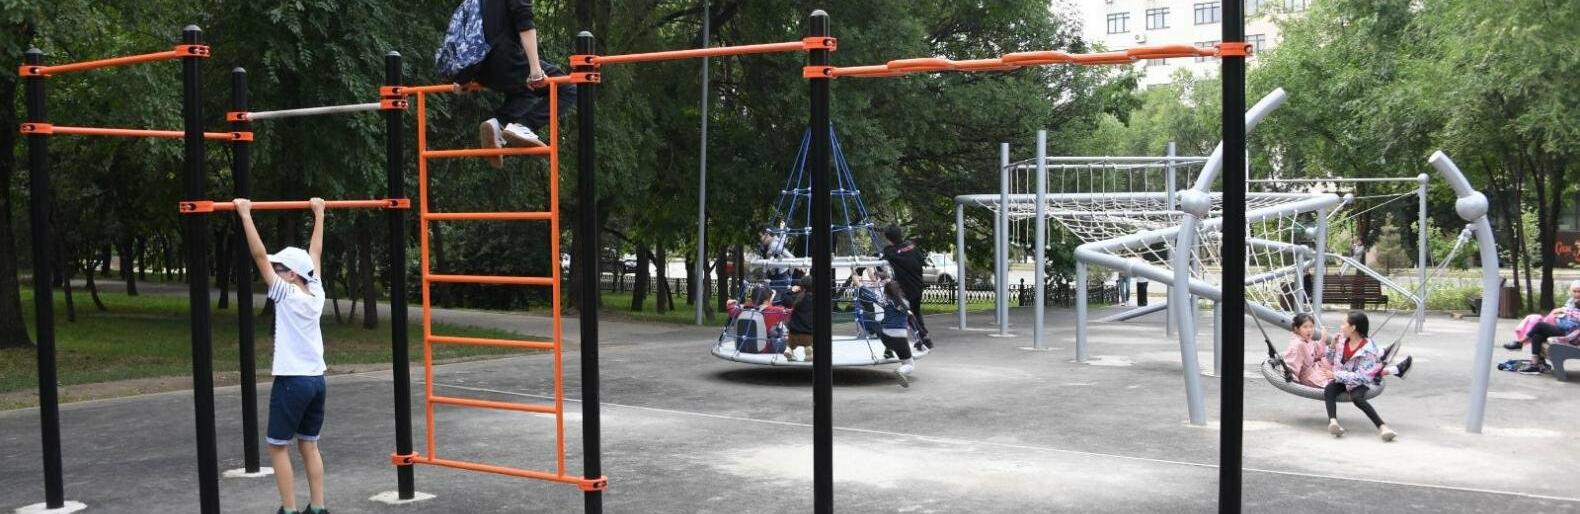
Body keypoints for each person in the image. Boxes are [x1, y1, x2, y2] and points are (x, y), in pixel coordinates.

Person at [236, 198, 331, 514]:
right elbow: (315, 254)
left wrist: (245, 214)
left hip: (293, 381)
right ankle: (317, 508)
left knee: (277, 446)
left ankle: (289, 510)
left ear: (291, 274)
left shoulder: (286, 293)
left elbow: (259, 255)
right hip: (316, 381)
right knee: (309, 444)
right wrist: (319, 214)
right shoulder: (316, 292)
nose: (273, 271)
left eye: (279, 269)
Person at [460, 0, 578, 169]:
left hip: (480, 70)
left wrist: (462, 76)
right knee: (568, 88)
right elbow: (524, 21)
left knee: (524, 91)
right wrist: (535, 70)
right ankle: (525, 125)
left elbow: (465, 26)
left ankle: (497, 123)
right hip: (505, 60)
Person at [1321, 311, 1397, 441]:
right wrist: (1332, 346)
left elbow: (1363, 376)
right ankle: (1333, 422)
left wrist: (1336, 375)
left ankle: (1383, 427)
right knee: (1329, 389)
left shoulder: (1368, 349)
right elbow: (1330, 359)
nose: (1341, 327)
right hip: (1341, 379)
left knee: (1357, 398)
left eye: (1344, 324)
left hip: (1359, 382)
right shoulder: (1342, 341)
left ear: (1353, 327)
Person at [1503, 280, 1580, 374]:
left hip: (1572, 335)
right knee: (1537, 336)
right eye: (1574, 291)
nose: (1577, 294)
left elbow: (1571, 322)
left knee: (1540, 325)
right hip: (1562, 329)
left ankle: (1520, 342)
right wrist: (1560, 313)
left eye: (1579, 291)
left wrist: (1566, 313)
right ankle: (1535, 365)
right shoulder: (1571, 301)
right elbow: (1566, 315)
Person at [880, 224, 931, 350]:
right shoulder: (912, 246)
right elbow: (921, 260)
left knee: (907, 314)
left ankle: (922, 338)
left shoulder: (890, 251)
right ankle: (924, 338)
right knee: (915, 312)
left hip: (906, 288)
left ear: (888, 238)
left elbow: (883, 259)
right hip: (918, 285)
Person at [872, 280, 919, 386]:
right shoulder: (904, 303)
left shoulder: (884, 301)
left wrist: (860, 285)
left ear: (885, 292)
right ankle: (900, 371)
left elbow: (872, 296)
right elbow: (910, 317)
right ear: (899, 290)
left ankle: (888, 351)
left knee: (901, 355)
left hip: (885, 337)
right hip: (899, 338)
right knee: (910, 364)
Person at [725, 287, 789, 355]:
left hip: (743, 345)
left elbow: (731, 309)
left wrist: (731, 303)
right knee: (785, 338)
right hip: (764, 348)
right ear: (767, 299)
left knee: (774, 332)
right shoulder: (774, 311)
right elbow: (793, 313)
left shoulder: (744, 309)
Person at [1282, 313, 1332, 388]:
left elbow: (1316, 352)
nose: (1309, 330)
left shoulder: (1307, 340)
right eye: (1305, 327)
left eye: (1311, 326)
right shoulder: (1298, 344)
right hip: (1309, 377)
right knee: (1333, 383)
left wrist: (1323, 339)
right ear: (1297, 329)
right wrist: (1293, 380)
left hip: (1314, 371)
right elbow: (1291, 364)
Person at [784, 276, 817, 361]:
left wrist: (791, 291)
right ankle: (808, 349)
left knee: (791, 343)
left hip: (793, 333)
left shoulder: (797, 297)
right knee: (810, 340)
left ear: (801, 286)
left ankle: (789, 349)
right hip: (809, 334)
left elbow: (785, 300)